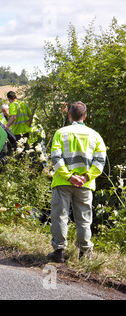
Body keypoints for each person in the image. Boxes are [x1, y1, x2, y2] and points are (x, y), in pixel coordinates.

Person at [47, 101, 106, 262]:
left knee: (60, 216)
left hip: (62, 182)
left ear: (69, 115)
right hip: (85, 185)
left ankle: (59, 252)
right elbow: (100, 161)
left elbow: (56, 158)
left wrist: (69, 176)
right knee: (84, 219)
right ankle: (85, 253)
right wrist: (86, 177)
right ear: (85, 116)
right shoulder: (95, 135)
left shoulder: (61, 133)